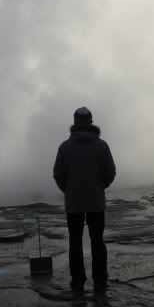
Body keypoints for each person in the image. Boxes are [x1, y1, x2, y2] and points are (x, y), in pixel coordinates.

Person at [53, 107, 116, 295]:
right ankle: (100, 281)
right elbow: (110, 173)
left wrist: (69, 190)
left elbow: (58, 174)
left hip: (74, 203)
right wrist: (98, 188)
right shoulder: (102, 146)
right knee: (97, 241)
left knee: (75, 242)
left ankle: (78, 282)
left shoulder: (65, 147)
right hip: (96, 201)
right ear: (90, 122)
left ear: (75, 122)